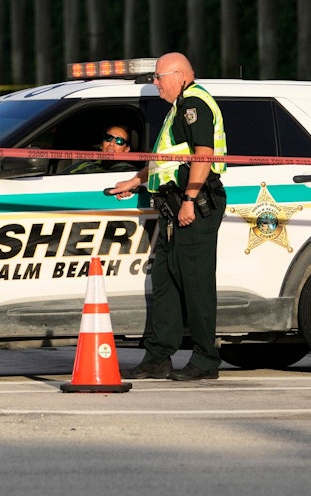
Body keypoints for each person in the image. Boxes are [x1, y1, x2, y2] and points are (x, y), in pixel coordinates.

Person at [108, 51, 228, 382]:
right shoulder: (178, 108)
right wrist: (135, 181)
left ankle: (206, 359)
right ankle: (158, 358)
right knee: (166, 283)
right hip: (173, 210)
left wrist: (189, 199)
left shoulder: (194, 105)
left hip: (195, 206)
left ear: (180, 76)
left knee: (196, 285)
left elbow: (204, 155)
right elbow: (168, 159)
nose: (156, 83)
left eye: (159, 77)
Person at [63, 124, 139, 174]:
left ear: (126, 150)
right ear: (101, 145)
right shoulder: (84, 165)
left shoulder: (130, 172)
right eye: (108, 138)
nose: (111, 143)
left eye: (119, 141)